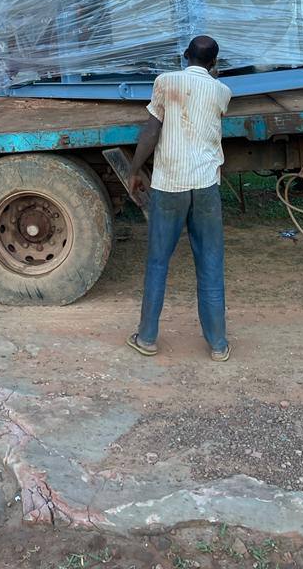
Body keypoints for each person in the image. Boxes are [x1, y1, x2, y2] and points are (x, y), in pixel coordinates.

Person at [127, 35, 232, 361]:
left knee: (158, 262)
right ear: (214, 63)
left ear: (185, 55)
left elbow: (151, 132)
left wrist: (134, 170)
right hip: (205, 184)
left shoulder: (165, 82)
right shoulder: (222, 91)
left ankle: (147, 338)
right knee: (210, 263)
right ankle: (218, 344)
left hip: (170, 183)